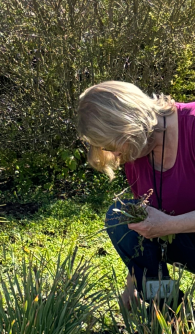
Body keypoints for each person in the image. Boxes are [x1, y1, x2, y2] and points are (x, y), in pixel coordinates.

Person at [76, 80, 195, 306]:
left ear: (129, 123)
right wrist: (133, 282)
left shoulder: (192, 124)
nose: (117, 154)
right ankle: (170, 314)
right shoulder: (136, 154)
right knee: (120, 216)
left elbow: (166, 224)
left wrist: (172, 224)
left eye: (114, 145)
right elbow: (143, 226)